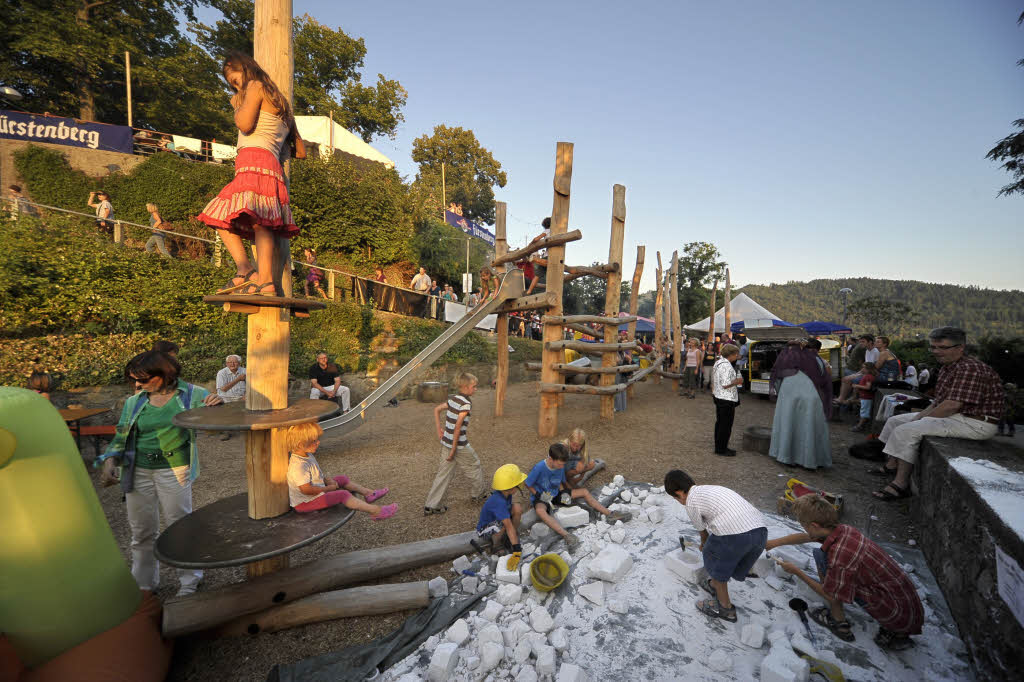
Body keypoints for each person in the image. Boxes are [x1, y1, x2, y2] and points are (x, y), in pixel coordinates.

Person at [95, 351, 223, 596]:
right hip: (138, 470)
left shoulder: (193, 394)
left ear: (164, 374)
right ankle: (143, 585)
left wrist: (215, 407)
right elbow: (121, 435)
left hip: (175, 469)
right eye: (134, 380)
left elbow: (216, 428)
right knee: (141, 530)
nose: (137, 385)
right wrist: (110, 459)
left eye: (142, 380)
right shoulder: (135, 401)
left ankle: (190, 580)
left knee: (179, 525)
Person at [197, 52, 306, 297]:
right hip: (269, 164)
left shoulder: (255, 86)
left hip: (253, 160)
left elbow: (245, 124)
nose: (235, 88)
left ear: (246, 70)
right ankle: (255, 275)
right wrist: (277, 137)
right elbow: (300, 151)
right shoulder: (283, 105)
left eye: (235, 81)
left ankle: (252, 273)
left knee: (221, 214)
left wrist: (238, 105)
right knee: (259, 221)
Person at [768, 494, 923, 650]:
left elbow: (830, 594)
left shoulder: (840, 556)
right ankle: (897, 631)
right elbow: (807, 537)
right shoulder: (842, 530)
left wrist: (796, 571)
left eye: (803, 524)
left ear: (814, 526)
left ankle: (839, 623)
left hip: (897, 614)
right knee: (821, 554)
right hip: (906, 605)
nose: (803, 527)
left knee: (830, 578)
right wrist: (774, 543)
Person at [870, 327, 1004, 501]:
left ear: (960, 347)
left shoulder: (970, 368)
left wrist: (919, 421)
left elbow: (951, 405)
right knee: (896, 421)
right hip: (959, 416)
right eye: (933, 347)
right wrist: (919, 417)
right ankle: (891, 464)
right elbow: (938, 402)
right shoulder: (949, 367)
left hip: (975, 423)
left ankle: (901, 485)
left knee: (906, 431)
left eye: (943, 347)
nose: (936, 352)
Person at [664, 469, 767, 623]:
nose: (679, 501)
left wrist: (704, 545)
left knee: (713, 557)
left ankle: (725, 608)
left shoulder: (691, 502)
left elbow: (703, 533)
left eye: (675, 498)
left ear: (679, 493)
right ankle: (713, 584)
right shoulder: (709, 489)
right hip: (760, 532)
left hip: (736, 536)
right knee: (723, 555)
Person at [285, 422, 396, 518]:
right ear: (300, 444)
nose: (318, 442)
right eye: (314, 441)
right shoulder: (298, 466)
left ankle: (369, 493)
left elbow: (314, 477)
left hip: (315, 494)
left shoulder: (306, 454)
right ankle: (376, 511)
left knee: (341, 479)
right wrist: (329, 489)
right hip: (306, 503)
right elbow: (306, 490)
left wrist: (326, 480)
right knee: (342, 495)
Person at [424, 372, 486, 515]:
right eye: (474, 387)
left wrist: (439, 429)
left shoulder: (453, 398)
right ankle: (478, 494)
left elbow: (437, 409)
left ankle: (431, 505)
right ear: (465, 387)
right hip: (459, 445)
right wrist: (453, 450)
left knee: (443, 473)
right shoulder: (466, 404)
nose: (475, 389)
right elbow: (458, 427)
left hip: (446, 442)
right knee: (474, 465)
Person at [768, 340, 833, 470]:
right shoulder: (819, 361)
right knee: (809, 427)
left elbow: (777, 376)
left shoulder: (789, 362)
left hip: (789, 396)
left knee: (789, 423)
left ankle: (787, 456)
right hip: (813, 399)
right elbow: (825, 382)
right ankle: (810, 459)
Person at [475, 464, 526, 563]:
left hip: (496, 520)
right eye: (518, 484)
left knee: (517, 508)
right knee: (504, 524)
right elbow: (508, 525)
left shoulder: (505, 493)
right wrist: (517, 550)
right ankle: (496, 545)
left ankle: (509, 537)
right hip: (484, 529)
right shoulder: (499, 501)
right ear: (512, 487)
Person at [711, 344, 744, 456]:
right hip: (726, 398)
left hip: (719, 396)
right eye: (736, 354)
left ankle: (719, 446)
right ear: (732, 354)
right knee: (725, 425)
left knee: (720, 423)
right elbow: (725, 384)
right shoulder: (726, 365)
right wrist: (738, 381)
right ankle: (721, 449)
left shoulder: (718, 362)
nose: (737, 356)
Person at [836, 334, 875, 404]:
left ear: (870, 342)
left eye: (863, 342)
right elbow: (865, 365)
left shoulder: (874, 351)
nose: (861, 343)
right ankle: (843, 399)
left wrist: (856, 375)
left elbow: (869, 367)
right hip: (860, 371)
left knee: (849, 379)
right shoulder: (867, 351)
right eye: (860, 342)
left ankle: (847, 399)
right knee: (846, 378)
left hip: (868, 374)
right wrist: (856, 374)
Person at [850, 362, 879, 433]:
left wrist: (857, 386)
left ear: (869, 369)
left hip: (866, 397)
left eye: (864, 367)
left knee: (864, 412)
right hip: (864, 397)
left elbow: (867, 387)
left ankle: (860, 426)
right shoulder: (867, 375)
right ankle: (861, 424)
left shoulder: (868, 376)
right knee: (862, 410)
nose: (862, 369)